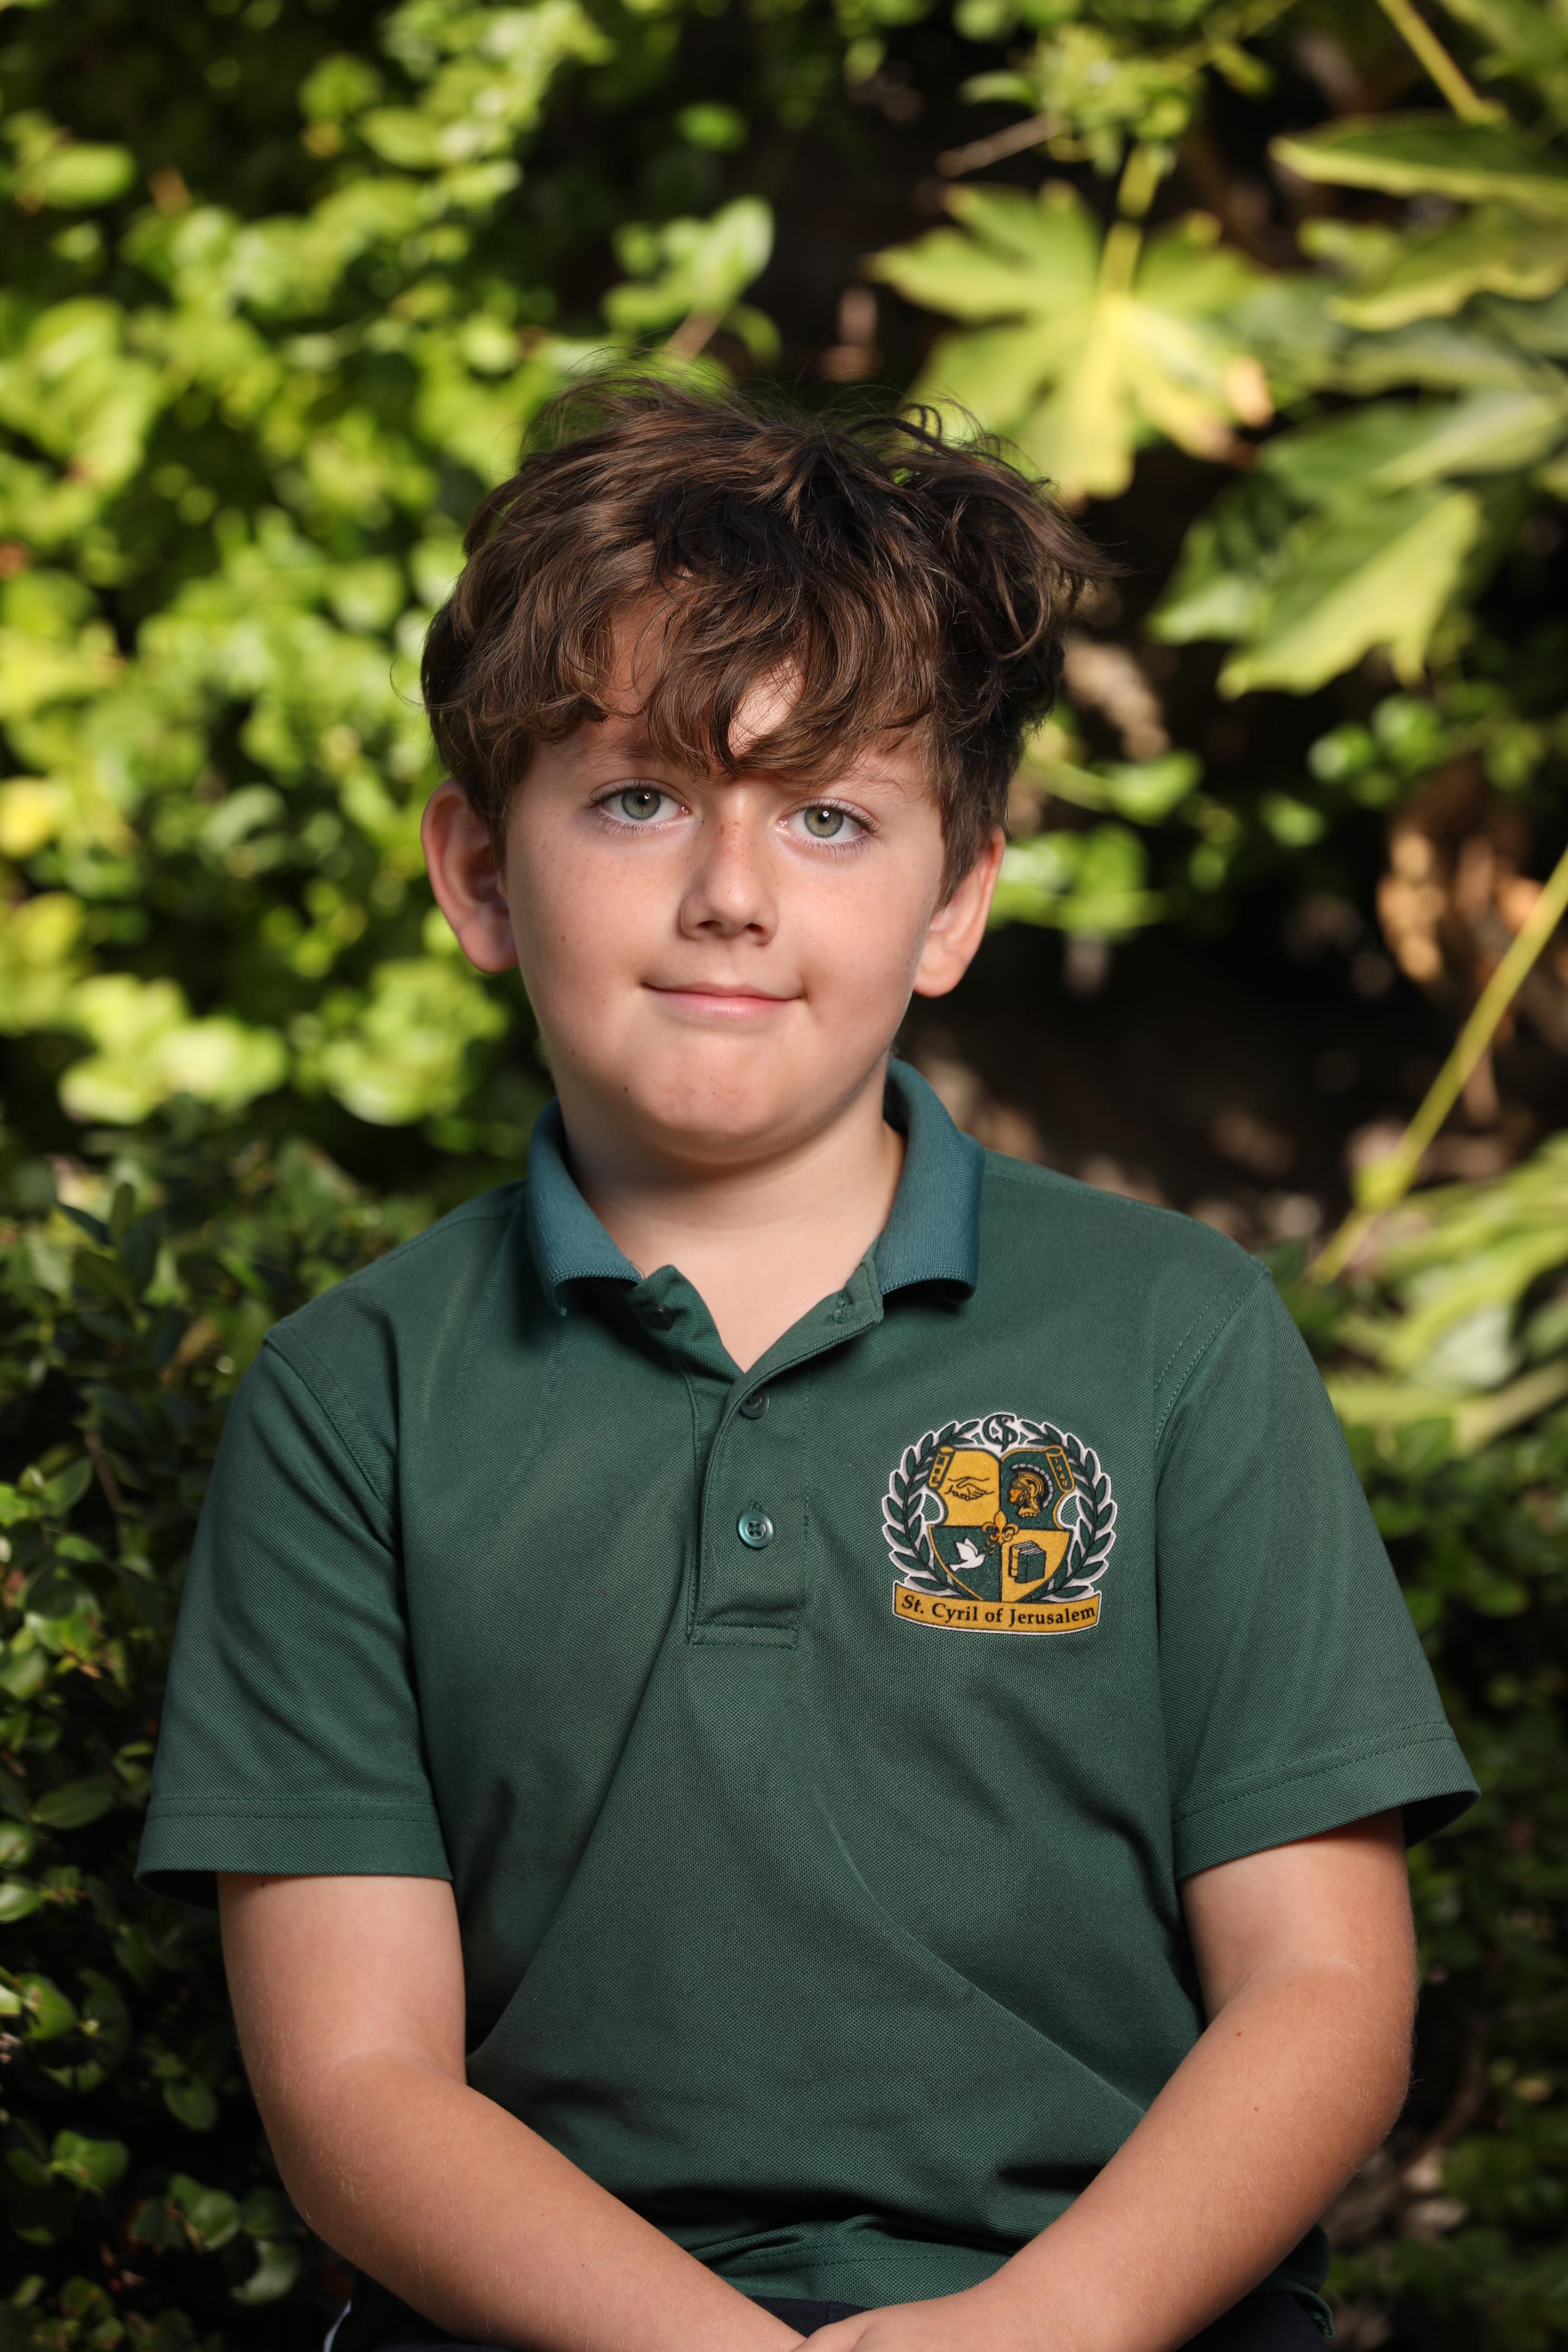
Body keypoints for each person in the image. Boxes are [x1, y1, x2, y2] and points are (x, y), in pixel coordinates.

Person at [136, 380, 1477, 2352]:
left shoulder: (1176, 1333)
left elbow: (1327, 1991)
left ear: (956, 902)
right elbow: (356, 2087)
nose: (733, 893)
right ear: (480, 875)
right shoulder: (355, 1401)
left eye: (831, 816)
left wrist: (1039, 2331)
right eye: (638, 798)